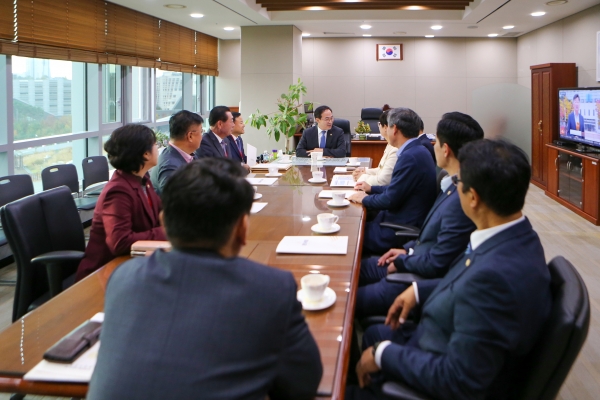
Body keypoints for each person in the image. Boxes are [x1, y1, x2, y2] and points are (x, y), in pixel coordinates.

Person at [87, 158, 323, 400]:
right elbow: (302, 385)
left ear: (164, 222)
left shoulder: (122, 278)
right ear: (242, 229)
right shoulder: (271, 289)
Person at [347, 139, 552, 400]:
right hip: (438, 332)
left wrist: (382, 355)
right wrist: (418, 291)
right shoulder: (517, 236)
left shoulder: (495, 279)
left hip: (434, 364)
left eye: (459, 182)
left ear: (473, 197)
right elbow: (466, 279)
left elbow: (459, 380)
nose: (454, 188)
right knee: (371, 335)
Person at [355, 112, 483, 318]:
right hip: (413, 252)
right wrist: (408, 250)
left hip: (415, 269)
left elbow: (440, 260)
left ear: (446, 149)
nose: (432, 146)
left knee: (350, 287)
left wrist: (404, 259)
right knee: (354, 270)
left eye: (436, 142)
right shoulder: (452, 186)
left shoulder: (461, 199)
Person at [76, 124, 166, 281]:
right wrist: (168, 232)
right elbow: (120, 242)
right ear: (145, 154)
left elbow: (161, 213)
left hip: (134, 265)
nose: (157, 148)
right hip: (105, 274)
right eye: (154, 144)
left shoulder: (143, 180)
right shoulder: (118, 191)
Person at [349, 108, 437, 255]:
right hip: (395, 219)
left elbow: (389, 199)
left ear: (394, 129)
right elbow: (395, 188)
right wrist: (371, 188)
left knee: (351, 235)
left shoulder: (410, 156)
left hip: (397, 227)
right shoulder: (416, 151)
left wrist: (364, 198)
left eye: (387, 126)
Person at [150, 110, 204, 195]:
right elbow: (176, 200)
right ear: (190, 136)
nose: (202, 136)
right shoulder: (169, 166)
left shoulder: (189, 155)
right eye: (201, 132)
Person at [352, 110, 398, 186]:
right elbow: (381, 170)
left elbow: (383, 180)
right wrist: (365, 171)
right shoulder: (390, 144)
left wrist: (362, 177)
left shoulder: (395, 149)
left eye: (379, 124)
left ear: (385, 127)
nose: (378, 126)